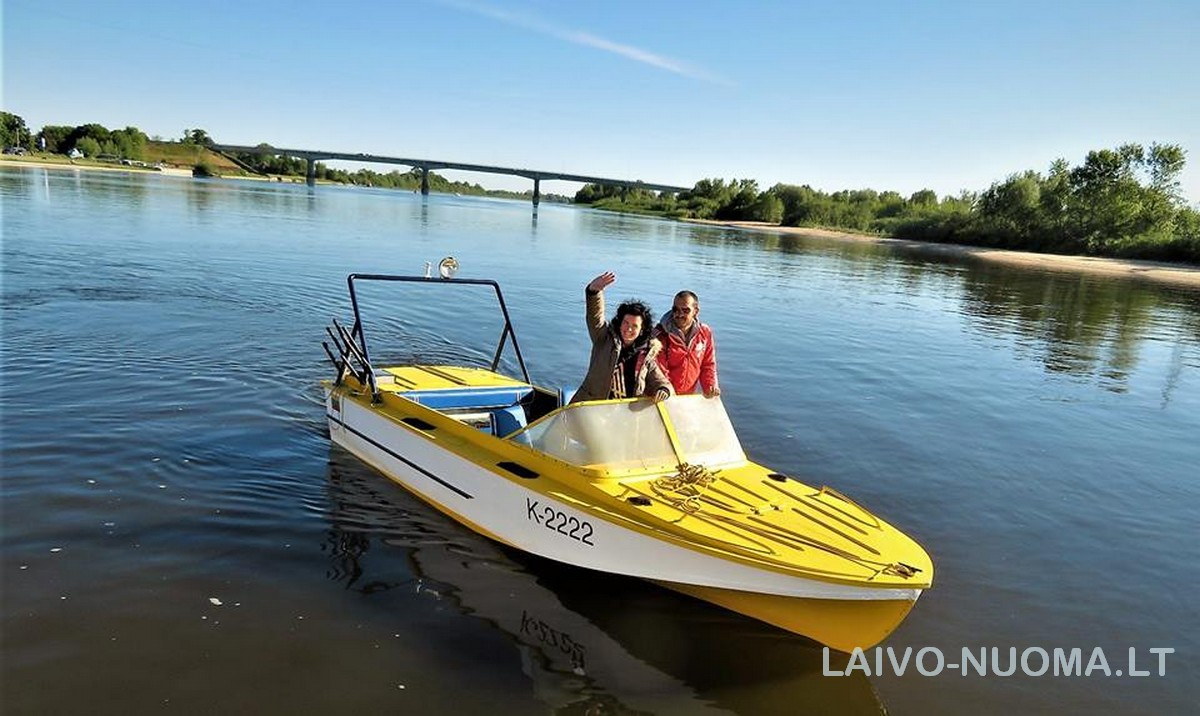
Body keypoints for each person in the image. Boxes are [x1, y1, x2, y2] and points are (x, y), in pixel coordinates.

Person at [571, 272, 673, 404]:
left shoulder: (645, 354)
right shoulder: (604, 339)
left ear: (641, 330)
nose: (629, 329)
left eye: (634, 326)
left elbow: (659, 380)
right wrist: (594, 292)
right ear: (620, 323)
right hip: (592, 407)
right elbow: (595, 317)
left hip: (624, 411)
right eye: (626, 323)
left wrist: (664, 389)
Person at [653, 289, 720, 397]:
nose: (679, 314)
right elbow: (659, 370)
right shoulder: (660, 335)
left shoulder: (704, 332)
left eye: (685, 310)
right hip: (663, 394)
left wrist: (710, 387)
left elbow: (708, 364)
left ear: (696, 311)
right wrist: (667, 390)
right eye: (675, 309)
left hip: (687, 396)